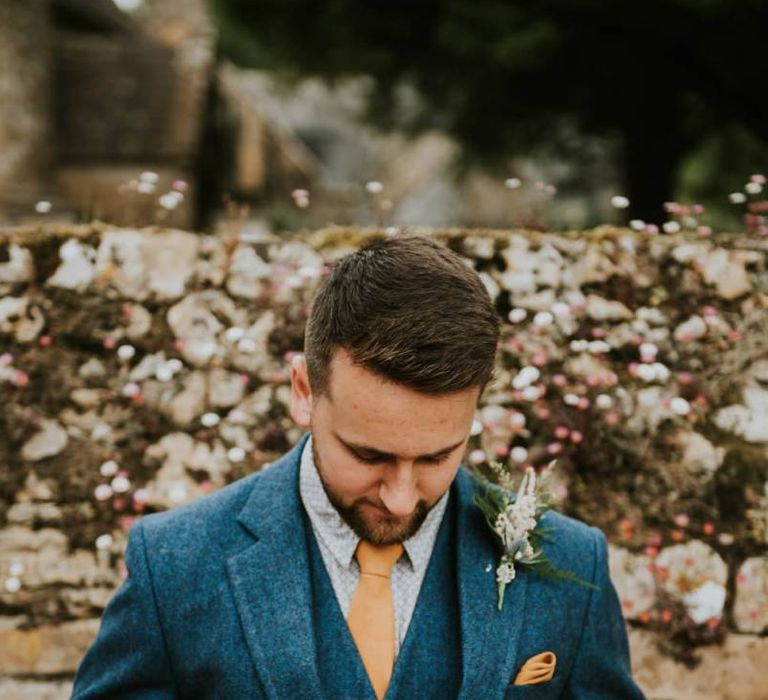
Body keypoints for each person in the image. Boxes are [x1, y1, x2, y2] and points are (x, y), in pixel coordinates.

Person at [71, 235, 645, 699]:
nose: (401, 497)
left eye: (437, 456)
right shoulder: (173, 567)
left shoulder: (572, 567)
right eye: (369, 455)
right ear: (303, 392)